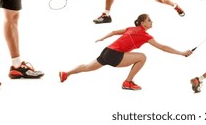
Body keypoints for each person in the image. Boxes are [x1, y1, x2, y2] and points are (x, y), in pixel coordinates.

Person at [59, 14, 192, 90]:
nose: (152, 22)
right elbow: (163, 47)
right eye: (149, 20)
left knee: (88, 67)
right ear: (142, 23)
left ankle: (66, 73)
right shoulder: (145, 35)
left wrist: (102, 38)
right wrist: (182, 53)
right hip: (114, 55)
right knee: (142, 57)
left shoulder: (130, 28)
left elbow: (114, 32)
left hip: (106, 51)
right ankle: (128, 82)